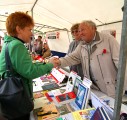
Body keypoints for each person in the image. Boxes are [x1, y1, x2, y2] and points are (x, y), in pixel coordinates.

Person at [0, 12, 57, 120]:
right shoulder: (17, 45)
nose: (31, 34)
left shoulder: (8, 43)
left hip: (11, 97)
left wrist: (44, 63)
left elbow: (23, 67)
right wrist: (50, 65)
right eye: (29, 30)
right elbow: (30, 72)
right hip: (18, 98)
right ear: (19, 29)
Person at [52, 20, 127, 97]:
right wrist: (59, 62)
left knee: (111, 108)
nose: (80, 33)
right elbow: (73, 57)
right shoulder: (82, 44)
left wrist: (122, 86)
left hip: (110, 88)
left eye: (82, 30)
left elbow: (121, 62)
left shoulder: (108, 40)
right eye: (79, 31)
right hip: (91, 87)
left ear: (93, 28)